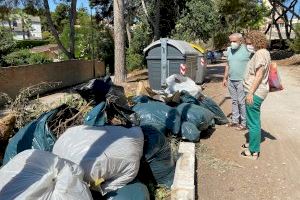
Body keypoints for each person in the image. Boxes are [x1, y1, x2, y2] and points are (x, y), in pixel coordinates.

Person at [241, 31, 271, 160]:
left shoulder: (260, 54)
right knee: (253, 120)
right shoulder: (264, 52)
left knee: (253, 122)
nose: (248, 45)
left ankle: (253, 151)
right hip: (258, 91)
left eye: (249, 42)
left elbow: (259, 75)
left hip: (255, 92)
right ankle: (252, 143)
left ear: (255, 41)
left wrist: (250, 92)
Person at [223, 33, 251, 131]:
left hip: (242, 81)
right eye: (231, 41)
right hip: (231, 80)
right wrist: (225, 78)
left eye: (234, 41)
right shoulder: (229, 50)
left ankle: (244, 123)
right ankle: (235, 121)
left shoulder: (247, 49)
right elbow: (227, 65)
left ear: (240, 41)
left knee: (242, 102)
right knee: (234, 101)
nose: (232, 43)